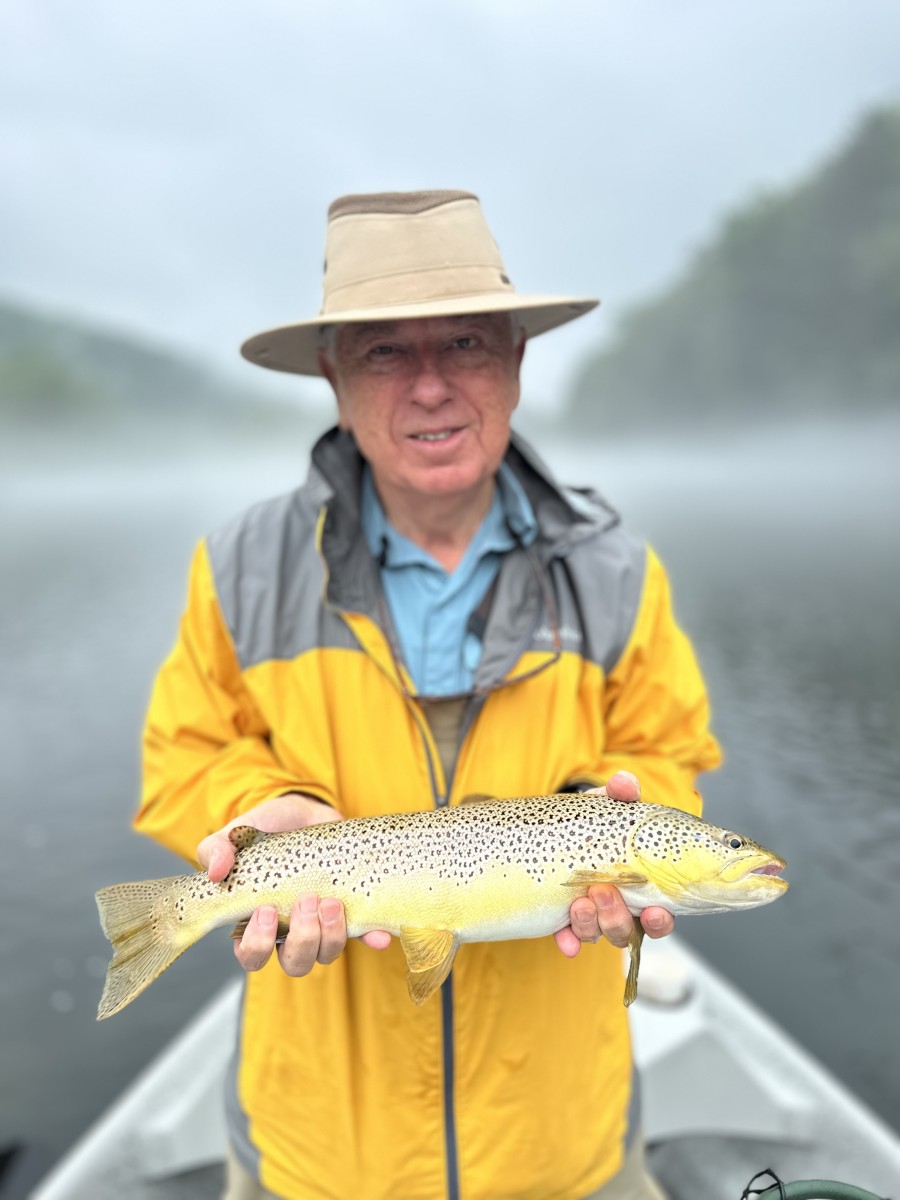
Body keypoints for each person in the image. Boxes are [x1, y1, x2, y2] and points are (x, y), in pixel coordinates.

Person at [136, 190, 721, 1200]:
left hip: (560, 1141)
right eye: (383, 353)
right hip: (318, 1148)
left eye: (464, 343)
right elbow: (183, 755)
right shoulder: (240, 564)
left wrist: (598, 805)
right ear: (331, 375)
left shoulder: (619, 570)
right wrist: (260, 814)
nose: (432, 387)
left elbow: (670, 752)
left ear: (518, 361)